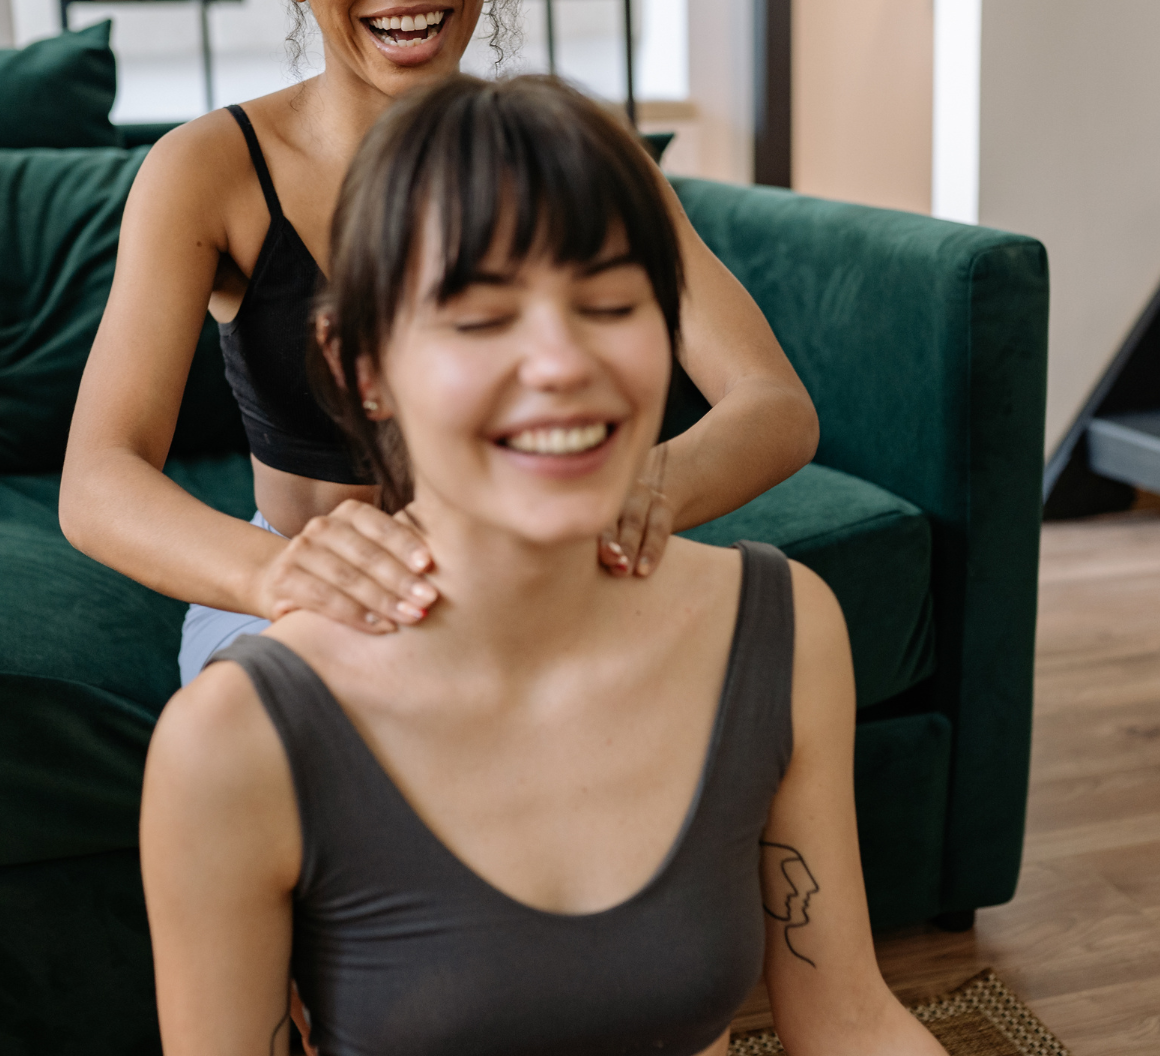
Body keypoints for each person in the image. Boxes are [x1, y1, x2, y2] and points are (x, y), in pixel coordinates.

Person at [140, 75, 945, 1056]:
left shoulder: (781, 630)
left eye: (611, 301)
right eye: (483, 317)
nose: (564, 363)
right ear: (362, 367)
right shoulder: (233, 742)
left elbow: (850, 1020)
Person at [59, 0, 817, 684]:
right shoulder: (208, 171)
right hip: (306, 605)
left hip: (537, 575)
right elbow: (100, 479)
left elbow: (774, 405)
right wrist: (278, 574)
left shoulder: (573, 157)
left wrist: (645, 488)